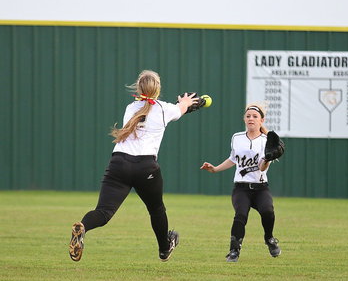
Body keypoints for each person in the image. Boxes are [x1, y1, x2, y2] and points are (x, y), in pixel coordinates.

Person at [69, 70, 198, 262]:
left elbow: (148, 108)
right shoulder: (165, 109)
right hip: (145, 167)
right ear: (158, 88)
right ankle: (164, 249)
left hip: (119, 163)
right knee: (156, 210)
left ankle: (83, 228)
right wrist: (188, 102)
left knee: (104, 212)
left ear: (139, 88)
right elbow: (182, 107)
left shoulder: (131, 108)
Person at [200, 103, 281, 262]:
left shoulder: (266, 141)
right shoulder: (237, 137)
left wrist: (267, 159)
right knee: (240, 215)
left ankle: (269, 239)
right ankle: (234, 251)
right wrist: (215, 169)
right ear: (244, 119)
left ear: (261, 120)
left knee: (268, 211)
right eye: (248, 116)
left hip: (260, 188)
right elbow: (233, 159)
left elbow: (262, 168)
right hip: (241, 188)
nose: (251, 118)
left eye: (255, 116)